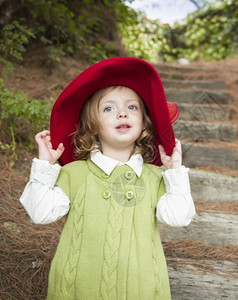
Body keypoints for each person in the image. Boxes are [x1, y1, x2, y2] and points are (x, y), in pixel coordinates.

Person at [19, 57, 196, 299]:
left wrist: (175, 171)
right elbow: (40, 214)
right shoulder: (76, 174)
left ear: (144, 123)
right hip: (79, 289)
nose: (122, 113)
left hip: (141, 289)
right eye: (109, 108)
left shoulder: (155, 177)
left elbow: (179, 218)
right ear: (92, 125)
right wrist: (45, 166)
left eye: (132, 107)